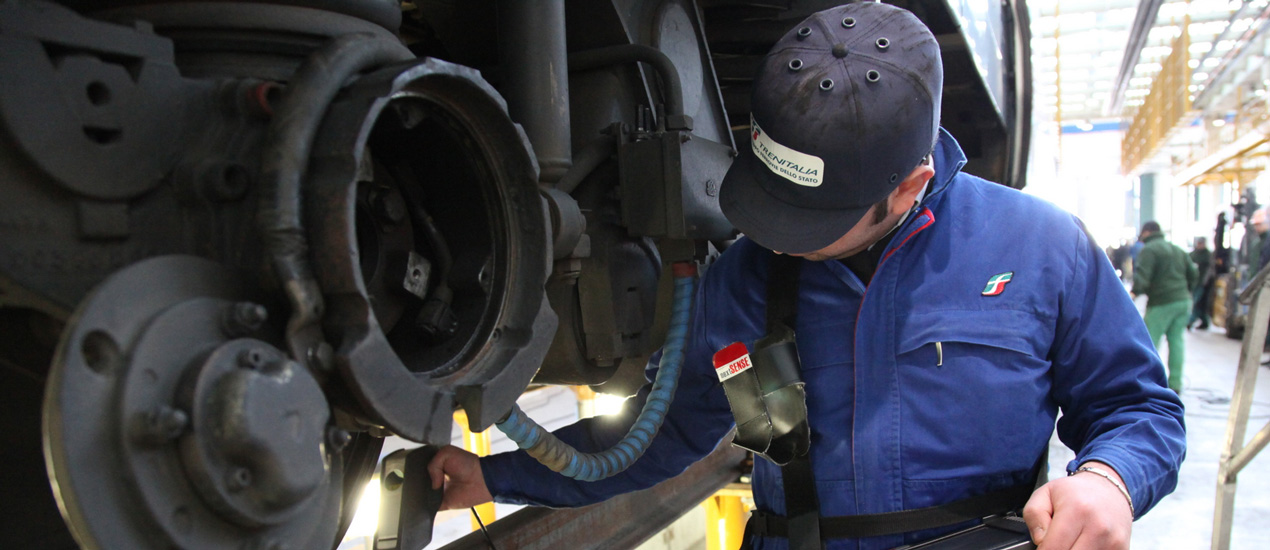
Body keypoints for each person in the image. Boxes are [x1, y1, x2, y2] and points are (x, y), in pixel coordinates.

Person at [429, 4, 1186, 550]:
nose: (774, 240)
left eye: (808, 222)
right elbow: (654, 439)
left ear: (909, 186)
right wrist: (496, 478)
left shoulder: (1043, 249)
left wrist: (1109, 480)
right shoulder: (744, 285)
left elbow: (1139, 408)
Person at [1132, 221, 1198, 393]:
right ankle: (1175, 384)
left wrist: (1133, 294)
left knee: (1149, 342)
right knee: (1176, 341)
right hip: (1183, 301)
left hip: (1162, 302)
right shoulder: (1177, 249)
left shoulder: (1149, 250)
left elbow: (1143, 277)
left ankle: (1146, 382)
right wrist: (1186, 291)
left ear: (1146, 232)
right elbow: (1193, 273)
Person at [1188, 237, 1213, 330]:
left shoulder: (1208, 255)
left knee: (1199, 302)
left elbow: (1210, 269)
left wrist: (1205, 281)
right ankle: (1203, 321)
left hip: (1203, 283)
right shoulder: (1192, 254)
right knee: (1197, 302)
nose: (1200, 245)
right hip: (1194, 283)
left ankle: (1191, 321)